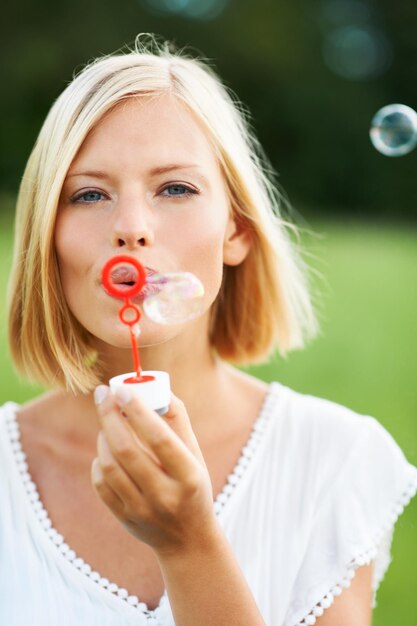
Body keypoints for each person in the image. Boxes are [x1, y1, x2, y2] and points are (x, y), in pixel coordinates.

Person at [1, 34, 416, 626]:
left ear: (237, 231)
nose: (131, 227)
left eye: (175, 188)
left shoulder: (333, 461)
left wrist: (190, 546)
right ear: (46, 235)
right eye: (89, 194)